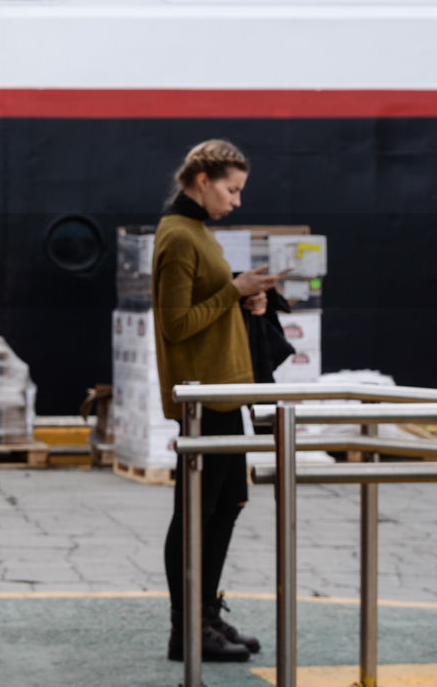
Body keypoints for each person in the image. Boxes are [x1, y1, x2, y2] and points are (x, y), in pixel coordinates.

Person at [152, 139, 283, 663]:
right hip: (203, 397)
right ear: (202, 180)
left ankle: (205, 615)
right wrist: (234, 290)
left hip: (227, 393)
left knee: (226, 508)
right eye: (231, 189)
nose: (237, 201)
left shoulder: (197, 234)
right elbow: (176, 325)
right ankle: (186, 628)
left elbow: (204, 303)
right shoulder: (179, 236)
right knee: (196, 515)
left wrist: (242, 291)